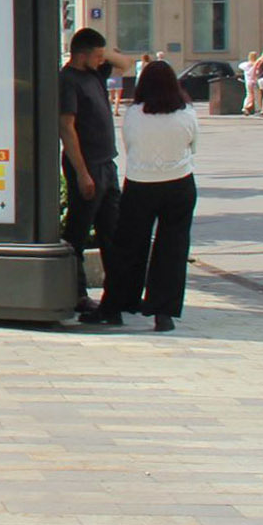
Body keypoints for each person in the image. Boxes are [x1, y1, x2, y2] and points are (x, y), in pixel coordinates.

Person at [91, 59, 201, 332]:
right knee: (173, 249)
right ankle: (163, 312)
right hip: (180, 182)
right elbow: (193, 146)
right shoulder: (187, 113)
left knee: (128, 247)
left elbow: (129, 145)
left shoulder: (133, 114)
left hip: (140, 183)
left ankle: (116, 305)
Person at [60, 28, 134, 313]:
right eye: (98, 55)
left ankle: (116, 295)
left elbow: (125, 64)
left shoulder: (94, 74)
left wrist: (101, 50)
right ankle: (77, 293)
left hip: (106, 163)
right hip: (87, 164)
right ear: (82, 55)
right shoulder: (68, 80)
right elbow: (67, 128)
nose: (103, 60)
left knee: (113, 231)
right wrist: (81, 172)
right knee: (78, 231)